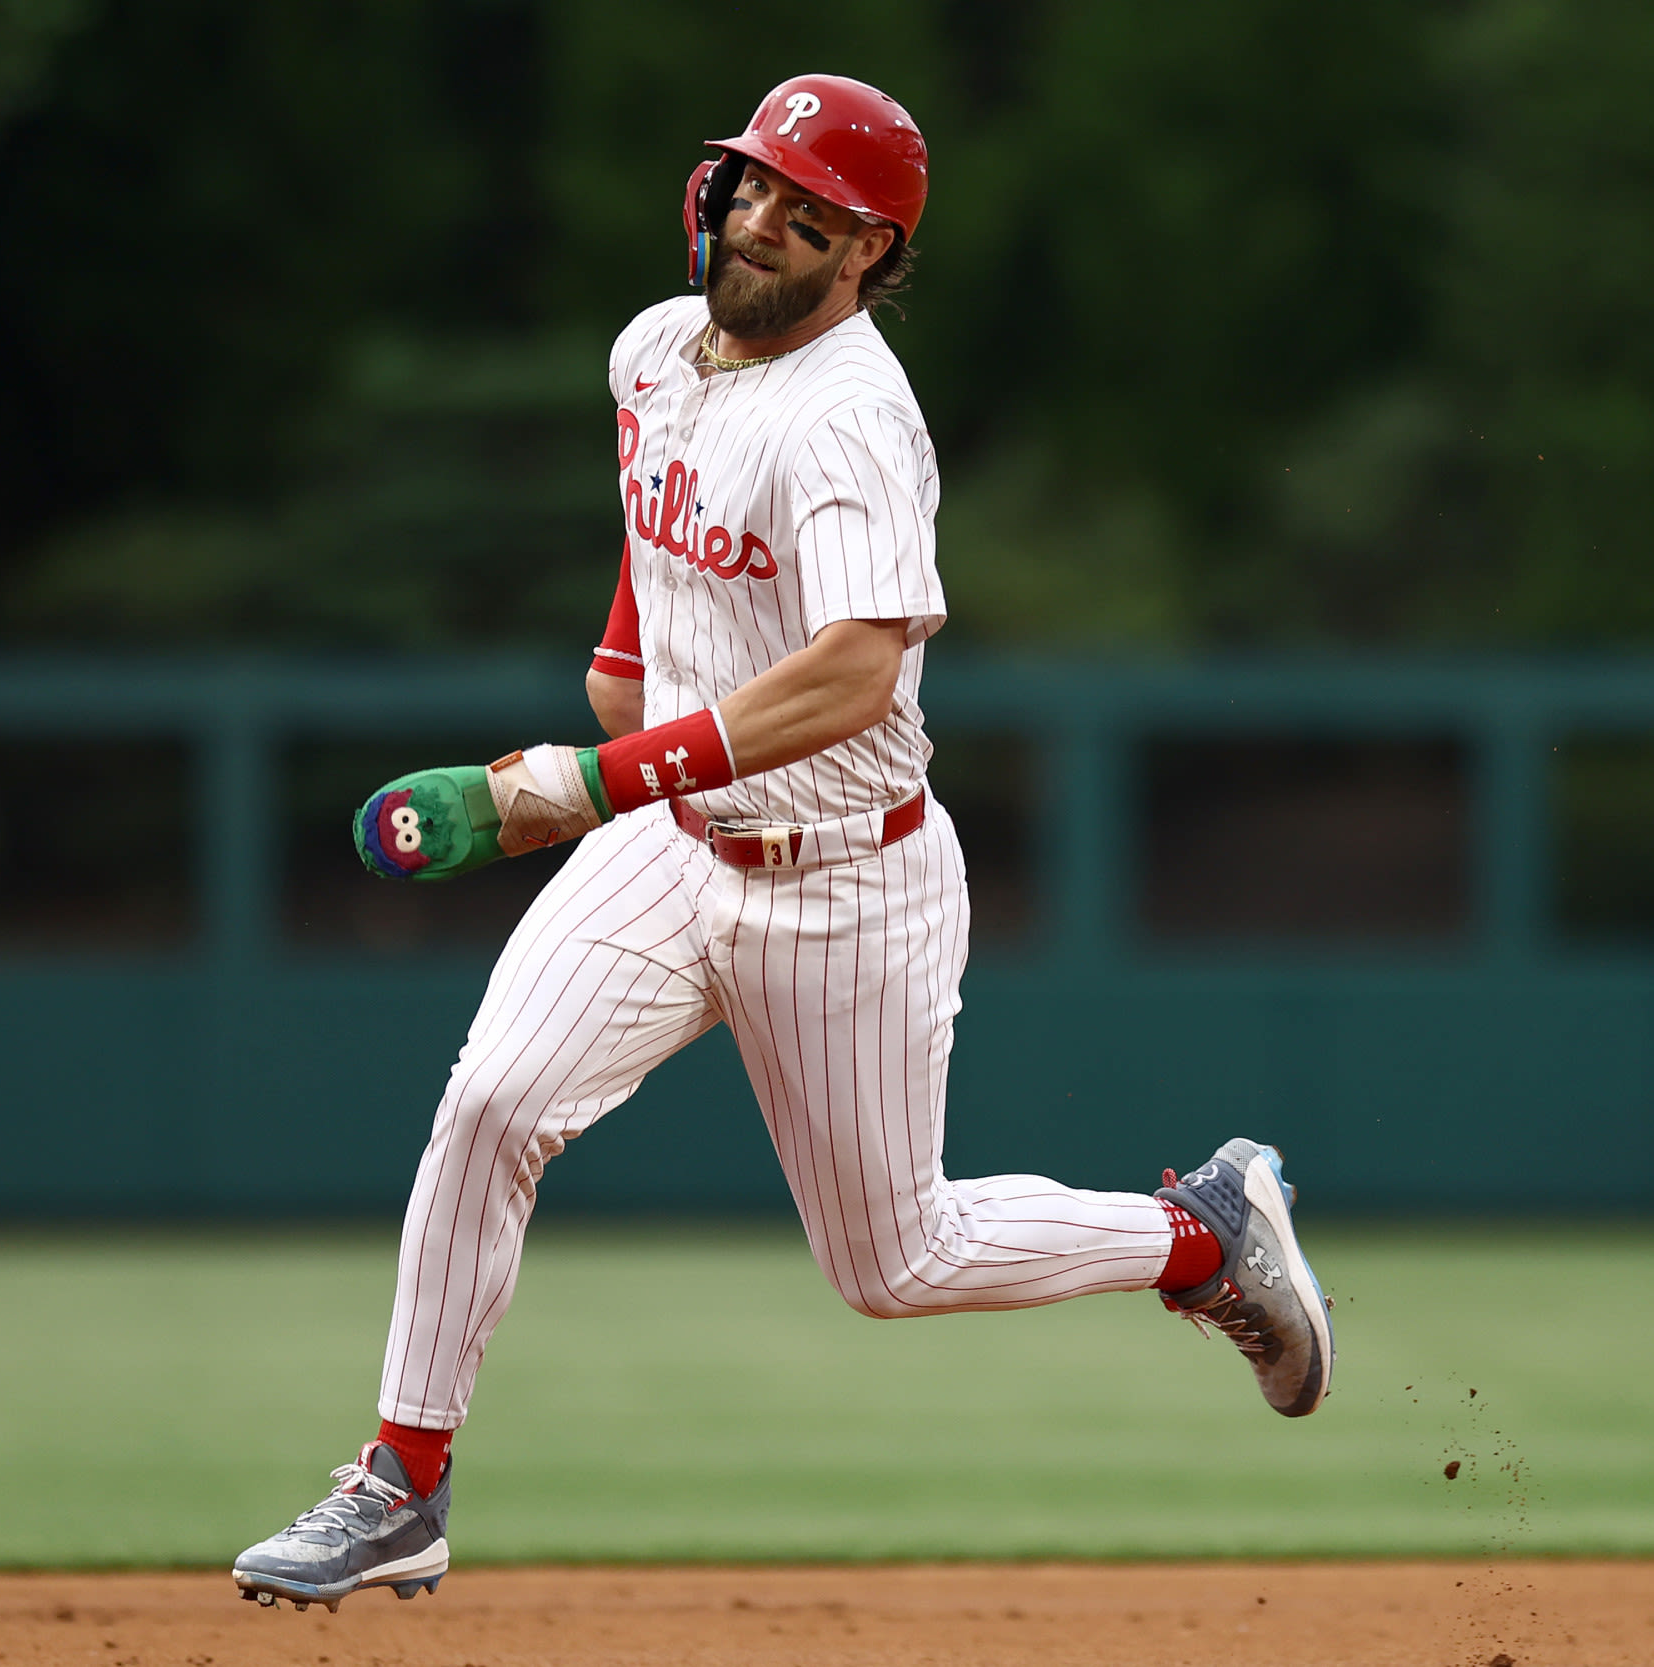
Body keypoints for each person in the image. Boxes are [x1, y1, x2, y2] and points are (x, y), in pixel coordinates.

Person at [232, 73, 1333, 1615]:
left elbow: (855, 669)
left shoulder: (853, 422)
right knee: (491, 1102)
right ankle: (399, 1484)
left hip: (845, 875)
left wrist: (588, 778)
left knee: (894, 1263)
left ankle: (1198, 1235)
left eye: (805, 214)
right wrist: (626, 695)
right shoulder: (653, 348)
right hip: (676, 844)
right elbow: (651, 524)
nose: (758, 220)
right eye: (750, 185)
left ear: (870, 252)